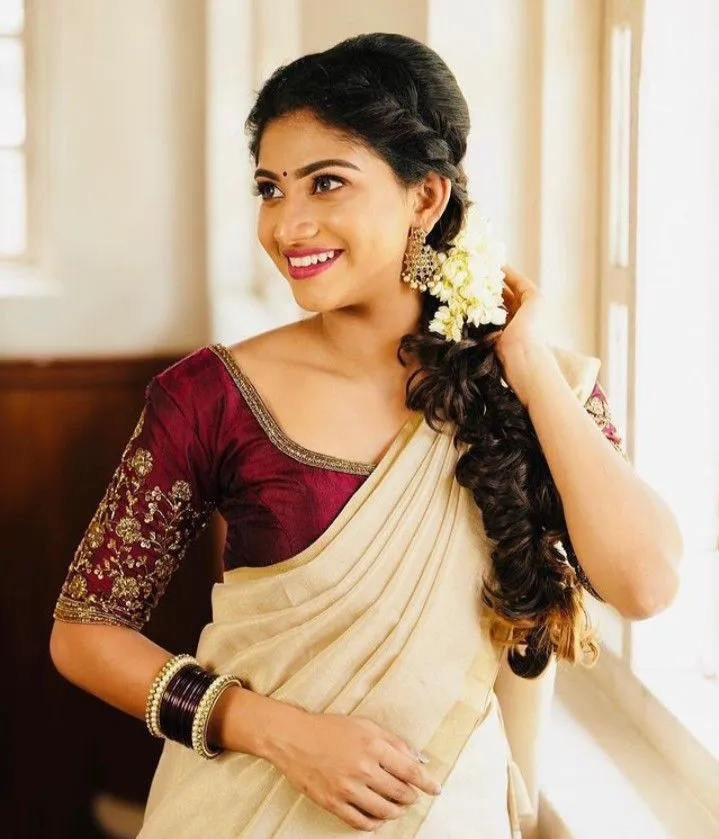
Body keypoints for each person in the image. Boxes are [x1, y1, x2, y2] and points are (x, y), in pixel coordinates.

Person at [49, 32, 683, 838]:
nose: (288, 224)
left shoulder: (531, 386)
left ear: (425, 197)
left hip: (447, 814)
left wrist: (526, 365)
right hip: (237, 812)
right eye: (270, 189)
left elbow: (644, 584)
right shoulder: (210, 396)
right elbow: (85, 631)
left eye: (327, 182)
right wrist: (277, 731)